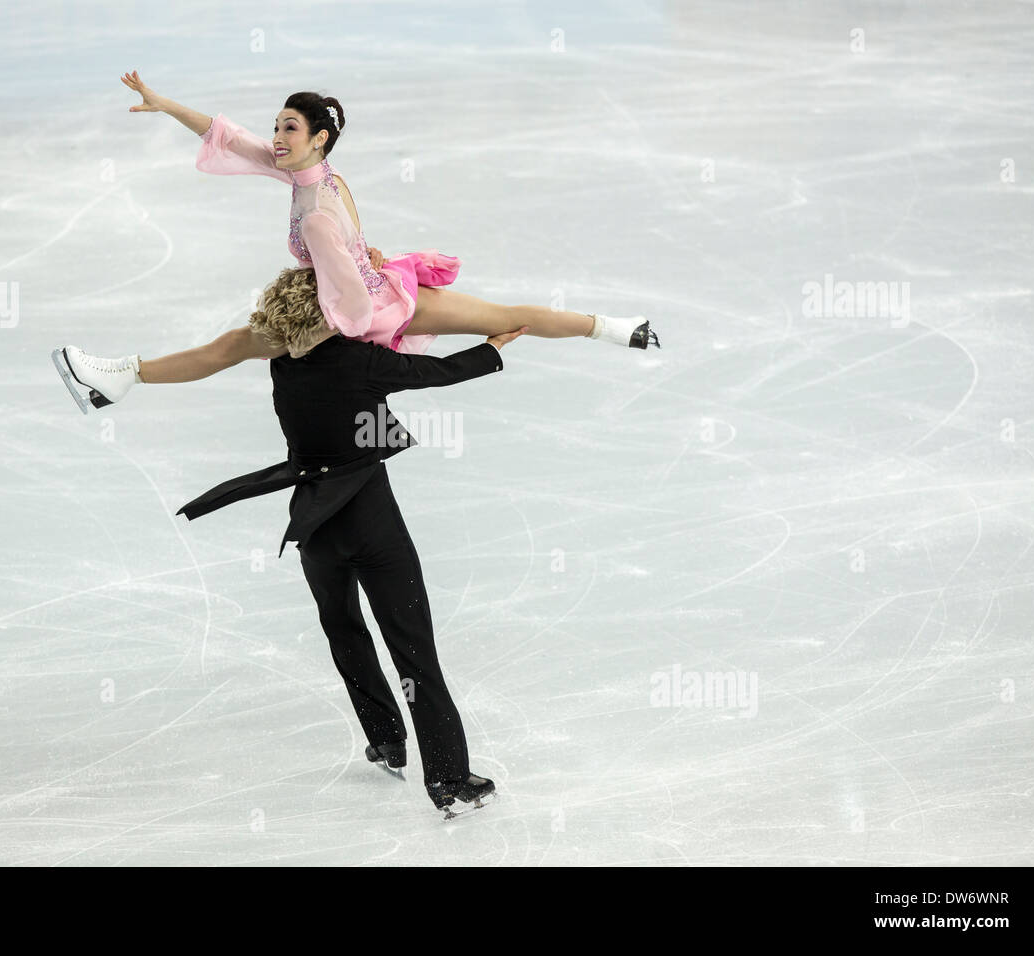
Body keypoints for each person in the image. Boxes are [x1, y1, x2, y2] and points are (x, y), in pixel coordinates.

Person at [49, 73, 659, 413]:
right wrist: (164, 105)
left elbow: (357, 311)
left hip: (351, 309)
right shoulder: (323, 175)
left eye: (289, 128)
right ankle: (618, 328)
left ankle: (120, 376)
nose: (276, 137)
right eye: (277, 126)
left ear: (318, 139)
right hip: (395, 286)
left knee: (232, 345)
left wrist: (333, 335)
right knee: (510, 314)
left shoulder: (314, 208)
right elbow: (228, 136)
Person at [174, 264, 525, 818]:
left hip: (314, 525)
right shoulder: (360, 363)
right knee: (413, 650)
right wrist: (494, 349)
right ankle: (450, 780)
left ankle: (386, 738)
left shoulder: (281, 364)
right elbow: (437, 372)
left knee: (345, 630)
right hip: (371, 526)